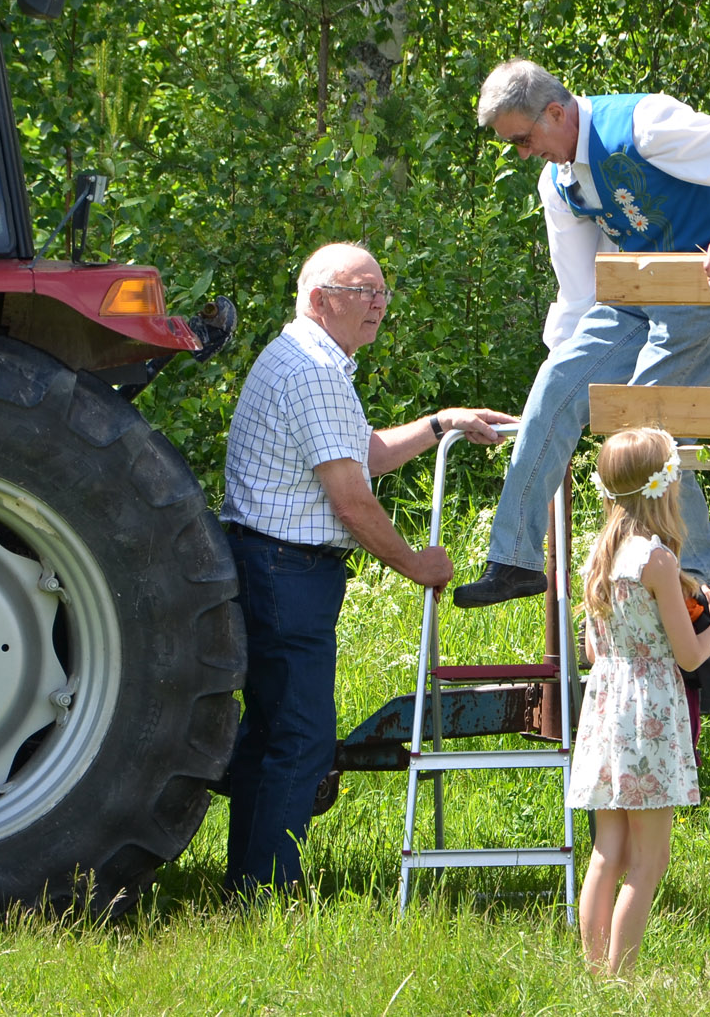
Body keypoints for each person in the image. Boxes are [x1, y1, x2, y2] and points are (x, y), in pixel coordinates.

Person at [218, 242, 515, 893]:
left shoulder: (308, 357)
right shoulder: (314, 369)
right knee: (299, 736)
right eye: (363, 291)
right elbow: (352, 499)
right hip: (285, 571)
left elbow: (363, 453)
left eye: (382, 291)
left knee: (274, 732)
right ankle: (265, 890)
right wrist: (417, 563)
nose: (378, 304)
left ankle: (250, 883)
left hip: (277, 566)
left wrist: (441, 423)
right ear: (320, 298)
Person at [453, 58, 710, 608]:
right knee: (553, 389)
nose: (523, 153)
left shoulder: (641, 124)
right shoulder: (556, 182)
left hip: (706, 284)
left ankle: (707, 575)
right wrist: (566, 374)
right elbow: (579, 290)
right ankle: (514, 560)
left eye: (523, 139)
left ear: (555, 113)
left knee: (642, 427)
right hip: (633, 294)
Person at [567, 426, 710, 974]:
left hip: (606, 706)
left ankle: (593, 973)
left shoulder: (601, 556)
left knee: (607, 852)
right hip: (650, 713)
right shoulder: (656, 560)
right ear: (662, 488)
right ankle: (623, 978)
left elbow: (593, 649)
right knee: (649, 858)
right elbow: (687, 657)